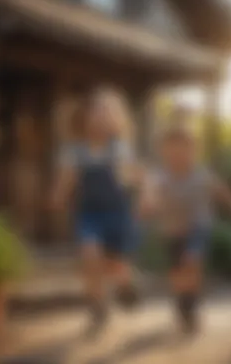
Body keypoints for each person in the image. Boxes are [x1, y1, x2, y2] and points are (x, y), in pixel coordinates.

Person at [138, 126, 231, 337]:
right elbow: (150, 191)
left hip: (198, 227)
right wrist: (148, 203)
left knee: (193, 260)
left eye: (184, 149)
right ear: (163, 152)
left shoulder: (202, 173)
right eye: (172, 150)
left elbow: (222, 192)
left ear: (193, 150)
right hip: (170, 230)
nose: (178, 154)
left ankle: (191, 304)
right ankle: (184, 302)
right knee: (177, 273)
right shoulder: (159, 175)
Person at [51, 86, 140, 339]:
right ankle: (97, 306)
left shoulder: (120, 148)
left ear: (117, 119)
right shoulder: (74, 150)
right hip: (89, 215)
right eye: (96, 109)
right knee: (90, 257)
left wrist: (138, 184)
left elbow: (129, 176)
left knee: (115, 264)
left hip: (117, 214)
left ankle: (125, 286)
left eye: (108, 110)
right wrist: (58, 196)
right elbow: (67, 177)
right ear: (86, 116)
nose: (101, 115)